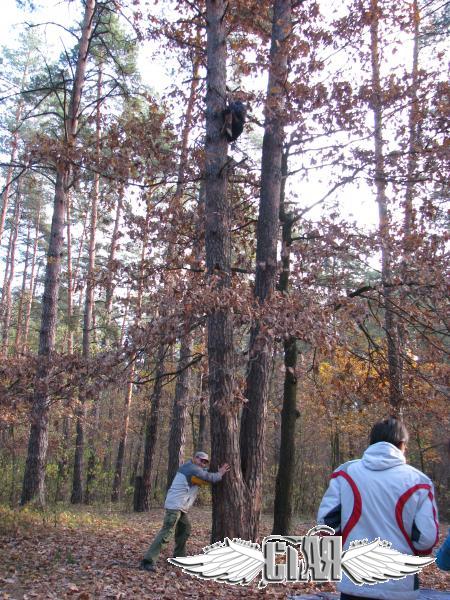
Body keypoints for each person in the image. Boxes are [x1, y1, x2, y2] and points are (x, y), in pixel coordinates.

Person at [317, 417, 439, 600]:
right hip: (400, 583)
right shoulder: (419, 482)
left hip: (354, 581)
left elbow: (326, 526)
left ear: (371, 442)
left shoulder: (345, 473)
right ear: (402, 444)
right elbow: (426, 539)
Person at [140, 451, 230, 572]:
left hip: (180, 507)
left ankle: (179, 558)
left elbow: (204, 475)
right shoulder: (192, 468)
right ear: (194, 458)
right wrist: (220, 473)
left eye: (205, 462)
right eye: (201, 460)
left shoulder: (191, 467)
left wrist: (211, 471)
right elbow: (210, 478)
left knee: (185, 529)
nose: (203, 463)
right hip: (175, 507)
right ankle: (148, 561)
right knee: (166, 533)